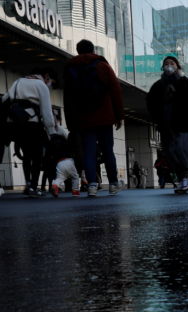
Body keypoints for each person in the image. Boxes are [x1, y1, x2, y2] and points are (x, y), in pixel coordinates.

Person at [64, 39, 124, 198]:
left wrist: (71, 121)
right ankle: (112, 184)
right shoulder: (102, 66)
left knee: (89, 152)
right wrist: (119, 115)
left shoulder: (70, 67)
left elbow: (68, 97)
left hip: (84, 119)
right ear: (93, 50)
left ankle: (92, 185)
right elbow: (115, 90)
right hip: (104, 116)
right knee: (107, 151)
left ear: (77, 50)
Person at [146, 55, 188, 193]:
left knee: (181, 150)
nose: (169, 65)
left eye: (172, 63)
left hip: (184, 125)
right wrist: (157, 119)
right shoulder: (158, 86)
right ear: (163, 67)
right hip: (166, 126)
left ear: (177, 66)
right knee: (171, 153)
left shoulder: (185, 83)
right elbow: (150, 104)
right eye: (166, 63)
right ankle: (183, 179)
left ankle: (185, 179)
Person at [3, 67, 57, 197]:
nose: (50, 85)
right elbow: (46, 110)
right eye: (51, 82)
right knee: (37, 156)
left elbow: (5, 98)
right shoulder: (40, 85)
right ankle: (33, 186)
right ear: (46, 76)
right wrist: (51, 131)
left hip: (17, 123)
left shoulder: (17, 82)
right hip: (33, 123)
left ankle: (27, 184)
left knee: (26, 155)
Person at [48, 123, 81, 197]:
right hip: (69, 161)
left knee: (60, 178)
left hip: (59, 164)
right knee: (75, 177)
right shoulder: (66, 143)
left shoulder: (52, 145)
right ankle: (75, 191)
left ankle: (55, 185)